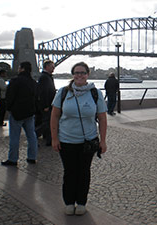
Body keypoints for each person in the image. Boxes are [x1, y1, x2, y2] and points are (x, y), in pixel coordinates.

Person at [50, 62, 107, 216]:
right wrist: (54, 139)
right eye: (76, 72)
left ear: (88, 75)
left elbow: (102, 118)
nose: (79, 75)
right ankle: (69, 202)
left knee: (84, 173)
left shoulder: (95, 93)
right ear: (73, 74)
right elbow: (54, 116)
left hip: (88, 142)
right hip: (66, 140)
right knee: (69, 172)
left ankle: (81, 202)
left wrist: (103, 141)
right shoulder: (63, 92)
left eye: (82, 72)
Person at [1, 62, 38, 166]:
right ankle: (32, 157)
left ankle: (13, 159)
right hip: (30, 113)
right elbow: (36, 98)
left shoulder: (15, 81)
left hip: (17, 113)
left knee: (14, 137)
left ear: (21, 69)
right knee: (32, 136)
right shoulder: (34, 82)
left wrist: (9, 108)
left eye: (19, 67)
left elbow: (9, 96)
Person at [36, 60, 56, 146]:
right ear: (47, 67)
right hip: (47, 105)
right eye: (52, 67)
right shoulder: (44, 77)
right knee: (47, 122)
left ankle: (47, 139)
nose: (53, 68)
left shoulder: (47, 76)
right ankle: (34, 134)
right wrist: (46, 105)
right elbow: (43, 92)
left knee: (47, 122)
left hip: (49, 104)